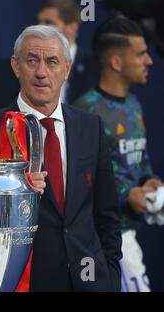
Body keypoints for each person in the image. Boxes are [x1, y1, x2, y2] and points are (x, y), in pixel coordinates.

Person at [0, 25, 122, 291]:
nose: (41, 72)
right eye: (32, 60)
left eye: (52, 62)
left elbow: (107, 214)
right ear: (16, 65)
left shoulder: (91, 127)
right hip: (26, 284)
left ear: (67, 69)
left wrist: (110, 275)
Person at [74, 17, 163, 292]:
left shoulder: (134, 104)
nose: (149, 60)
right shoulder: (86, 113)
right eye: (141, 54)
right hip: (101, 241)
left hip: (128, 236)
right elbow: (77, 180)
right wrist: (127, 195)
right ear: (115, 62)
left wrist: (149, 182)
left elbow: (141, 162)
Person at [37, 0, 98, 104]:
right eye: (39, 22)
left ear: (72, 27)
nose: (40, 28)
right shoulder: (30, 64)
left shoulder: (94, 66)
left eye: (49, 23)